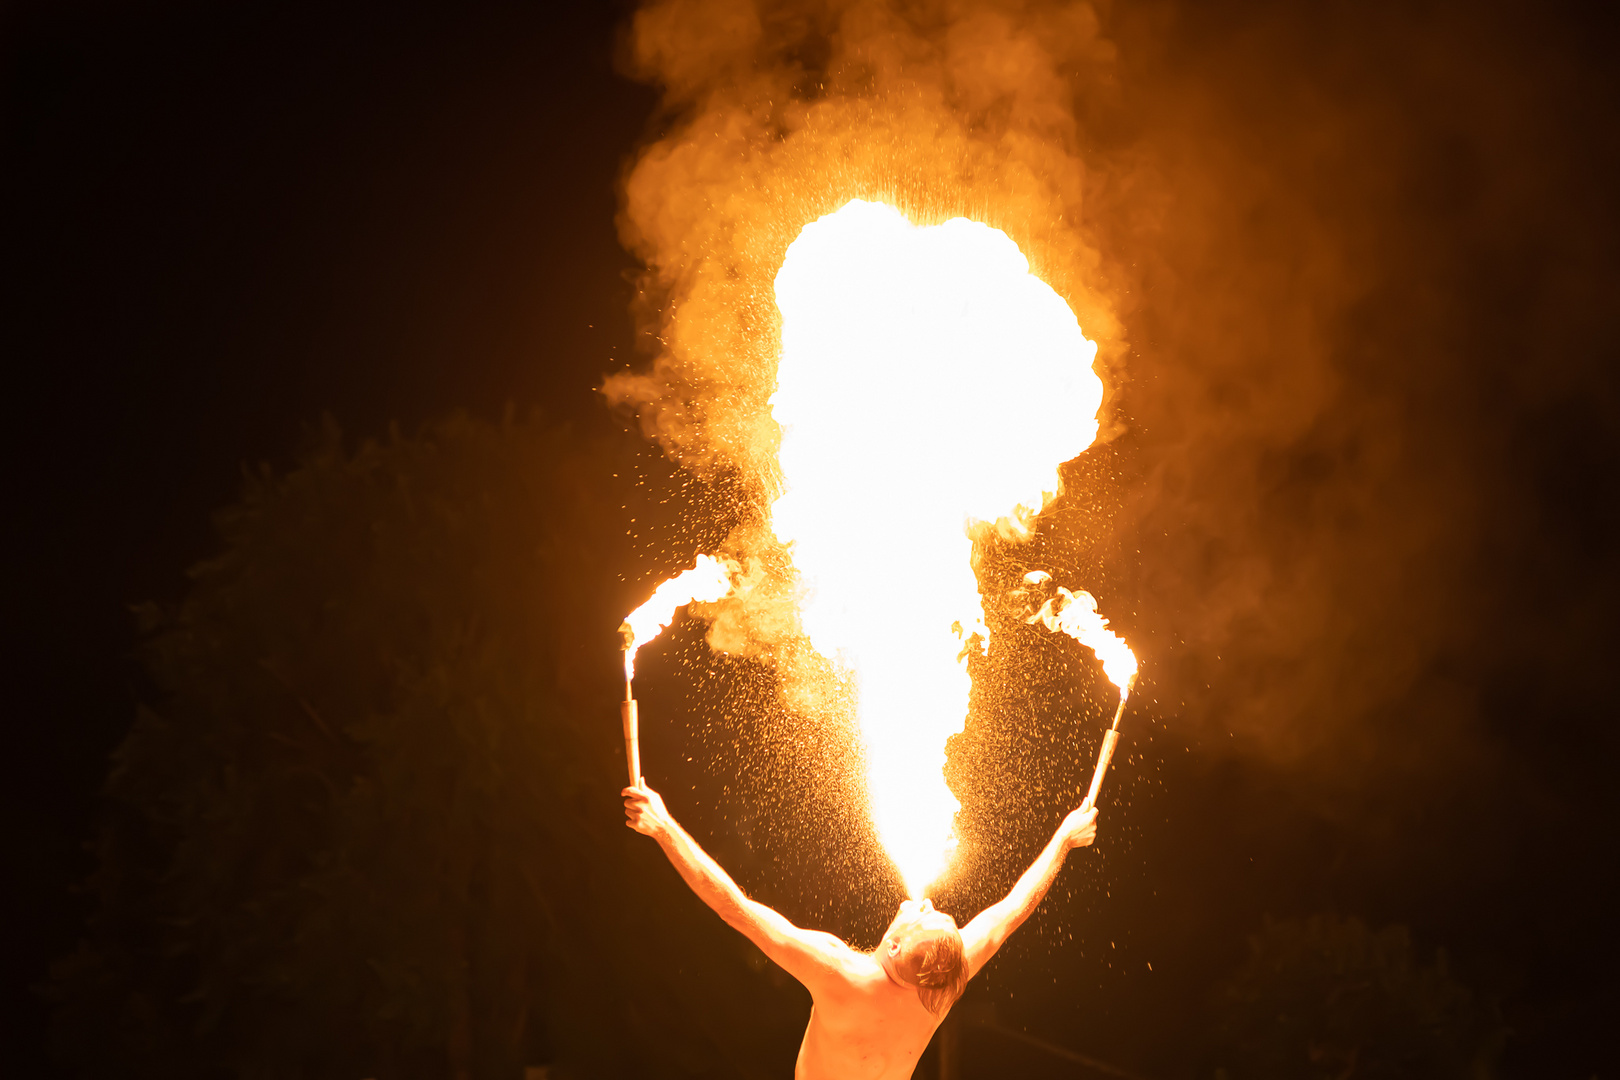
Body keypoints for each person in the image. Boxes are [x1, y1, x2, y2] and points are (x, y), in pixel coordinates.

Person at [622, 781, 1100, 1080]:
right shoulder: (943, 986)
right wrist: (1063, 840)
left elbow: (736, 909)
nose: (927, 904)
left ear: (894, 945)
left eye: (925, 916)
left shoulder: (839, 972)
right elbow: (1010, 912)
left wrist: (664, 828)